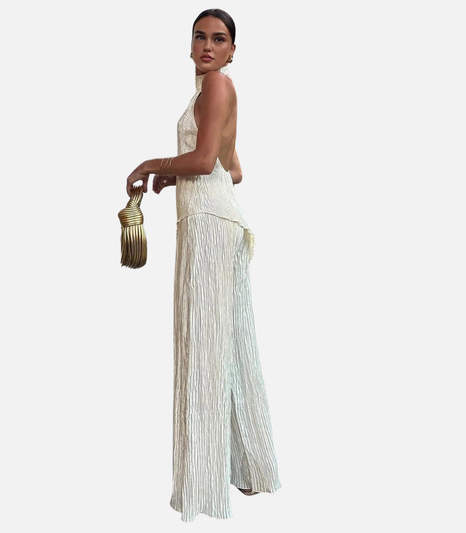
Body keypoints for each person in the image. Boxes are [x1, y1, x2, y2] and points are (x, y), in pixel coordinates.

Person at [125, 8, 282, 522]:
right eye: (200, 37)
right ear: (189, 45)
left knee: (204, 349)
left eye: (219, 39)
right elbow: (232, 169)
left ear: (233, 51)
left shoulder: (216, 85)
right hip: (218, 220)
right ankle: (252, 472)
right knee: (228, 344)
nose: (208, 46)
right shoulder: (211, 92)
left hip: (209, 227)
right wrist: (180, 176)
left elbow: (204, 159)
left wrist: (153, 165)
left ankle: (202, 491)